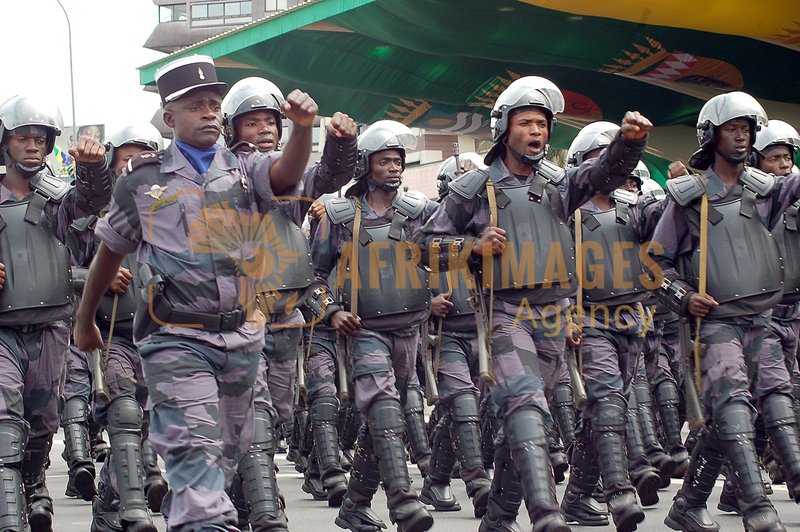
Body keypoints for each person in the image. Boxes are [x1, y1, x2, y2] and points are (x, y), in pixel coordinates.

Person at [73, 55, 318, 531]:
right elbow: (109, 252)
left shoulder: (246, 169)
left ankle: (190, 511)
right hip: (175, 340)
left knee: (224, 456)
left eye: (214, 103)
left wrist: (304, 129)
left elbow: (288, 175)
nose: (209, 112)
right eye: (195, 105)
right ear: (169, 118)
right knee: (196, 457)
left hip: (242, 340)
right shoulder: (143, 182)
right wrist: (85, 322)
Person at [414, 76, 652, 532]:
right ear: (505, 128)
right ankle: (545, 513)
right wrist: (472, 246)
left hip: (555, 316)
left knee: (518, 420)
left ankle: (499, 520)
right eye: (527, 123)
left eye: (543, 124)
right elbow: (424, 245)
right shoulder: (474, 187)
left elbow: (604, 173)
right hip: (504, 315)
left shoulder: (562, 184)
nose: (537, 132)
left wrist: (628, 143)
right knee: (525, 407)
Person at [650, 91, 800, 532]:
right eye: (732, 129)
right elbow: (653, 263)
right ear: (710, 135)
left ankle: (689, 504)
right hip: (713, 324)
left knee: (775, 404)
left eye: (747, 130)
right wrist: (683, 297)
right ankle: (757, 508)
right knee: (734, 409)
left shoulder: (768, 190)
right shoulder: (687, 197)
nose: (741, 137)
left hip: (763, 319)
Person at [220, 76, 358, 521]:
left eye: (271, 122)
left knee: (276, 413)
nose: (264, 130)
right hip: (242, 314)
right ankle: (263, 509)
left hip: (287, 316)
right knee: (255, 412)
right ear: (233, 129)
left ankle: (241, 494)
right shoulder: (226, 172)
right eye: (252, 122)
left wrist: (339, 141)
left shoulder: (293, 178)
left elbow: (331, 176)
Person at [311, 120, 437, 532]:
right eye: (385, 161)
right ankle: (404, 502)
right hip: (363, 329)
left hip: (409, 330)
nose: (394, 168)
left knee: (385, 417)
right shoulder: (338, 214)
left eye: (398, 161)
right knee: (384, 407)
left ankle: (354, 505)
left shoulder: (421, 211)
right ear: (366, 165)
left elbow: (442, 258)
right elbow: (313, 277)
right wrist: (332, 311)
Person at [0, 93, 113, 531]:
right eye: (22, 137)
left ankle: (33, 482)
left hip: (50, 328)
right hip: (4, 330)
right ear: (5, 141)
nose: (31, 146)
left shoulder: (57, 199)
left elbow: (90, 203)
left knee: (43, 420)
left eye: (39, 139)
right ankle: (10, 517)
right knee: (5, 417)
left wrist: (91, 167)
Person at [85, 123, 168, 532]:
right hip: (111, 335)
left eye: (142, 160)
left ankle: (108, 500)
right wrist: (96, 278)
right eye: (124, 161)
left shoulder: (171, 214)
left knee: (149, 423)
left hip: (162, 337)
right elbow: (63, 271)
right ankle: (131, 508)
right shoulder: (92, 220)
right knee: (124, 415)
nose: (131, 168)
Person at [420, 151, 493, 518]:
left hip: (483, 330)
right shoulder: (428, 225)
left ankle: (434, 480)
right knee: (462, 403)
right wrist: (428, 301)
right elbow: (406, 267)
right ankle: (478, 483)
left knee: (463, 411)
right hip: (445, 335)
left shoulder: (491, 228)